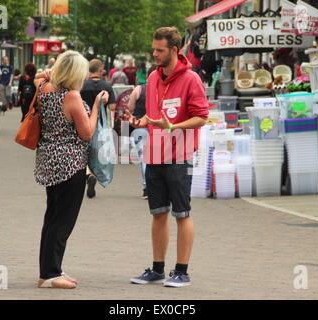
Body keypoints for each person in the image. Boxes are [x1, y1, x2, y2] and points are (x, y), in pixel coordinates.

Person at [125, 27, 208, 288]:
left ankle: (182, 271)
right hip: (154, 154)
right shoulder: (151, 78)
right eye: (154, 49)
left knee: (182, 213)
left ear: (174, 50)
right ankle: (157, 269)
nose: (155, 54)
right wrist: (139, 122)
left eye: (160, 50)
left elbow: (202, 117)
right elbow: (154, 118)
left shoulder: (191, 79)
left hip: (179, 155)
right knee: (158, 213)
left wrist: (172, 127)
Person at [34, 50, 109, 289]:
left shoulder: (44, 89)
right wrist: (96, 105)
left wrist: (46, 74)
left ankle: (50, 269)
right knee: (63, 221)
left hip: (49, 162)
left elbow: (38, 77)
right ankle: (50, 274)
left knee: (52, 217)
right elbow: (86, 133)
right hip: (71, 164)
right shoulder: (72, 97)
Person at [80, 58, 116, 199]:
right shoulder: (107, 86)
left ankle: (88, 173)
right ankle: (94, 173)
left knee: (84, 150)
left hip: (83, 121)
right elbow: (113, 107)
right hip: (100, 124)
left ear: (89, 70)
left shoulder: (82, 85)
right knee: (97, 151)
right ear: (101, 71)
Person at [128, 65, 156, 199]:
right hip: (158, 127)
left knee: (144, 157)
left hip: (140, 127)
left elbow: (130, 107)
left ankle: (147, 187)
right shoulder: (163, 89)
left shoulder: (139, 89)